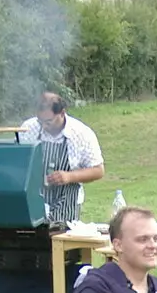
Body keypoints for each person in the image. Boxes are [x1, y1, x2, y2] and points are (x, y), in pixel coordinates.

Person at [20, 91, 105, 224]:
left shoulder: (82, 134)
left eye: (48, 121)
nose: (43, 126)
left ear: (62, 113)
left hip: (67, 204)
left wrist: (69, 177)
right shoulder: (28, 129)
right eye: (40, 121)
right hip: (34, 203)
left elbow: (98, 170)